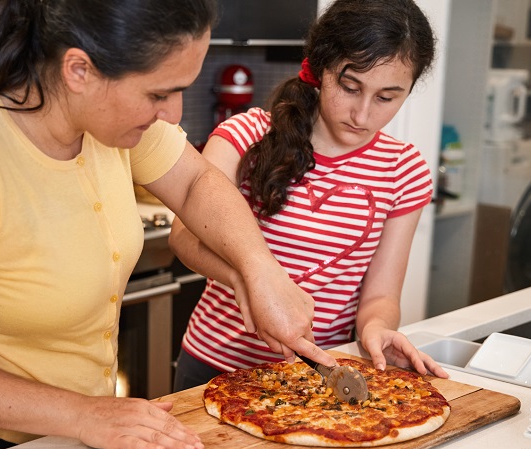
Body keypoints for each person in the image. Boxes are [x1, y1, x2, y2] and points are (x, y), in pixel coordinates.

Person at [0, 0, 339, 449]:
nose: (172, 112)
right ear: (79, 70)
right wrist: (84, 414)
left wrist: (260, 270)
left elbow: (198, 182)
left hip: (71, 447)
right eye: (159, 92)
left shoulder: (100, 124)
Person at [170, 0, 450, 392]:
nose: (363, 114)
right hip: (216, 362)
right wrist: (255, 281)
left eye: (387, 97)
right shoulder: (247, 135)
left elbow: (382, 295)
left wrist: (377, 329)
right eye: (350, 87)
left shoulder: (403, 170)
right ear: (320, 69)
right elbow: (183, 235)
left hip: (318, 374)